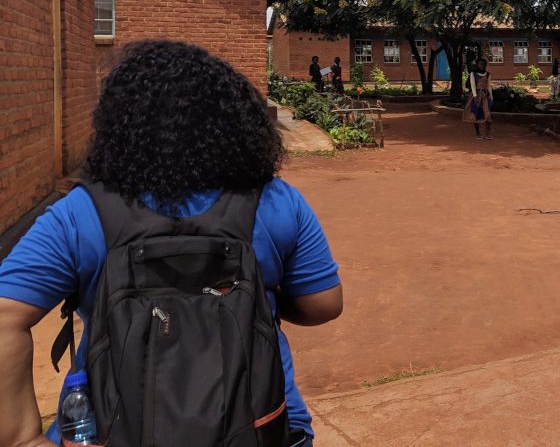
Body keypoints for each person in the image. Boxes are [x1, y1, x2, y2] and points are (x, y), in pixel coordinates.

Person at [0, 40, 342, 447]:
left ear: (120, 124)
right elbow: (324, 304)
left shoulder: (80, 212)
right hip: (264, 429)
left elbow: (5, 317)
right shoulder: (274, 202)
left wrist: (22, 438)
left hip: (112, 432)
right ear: (236, 122)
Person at [464, 57, 493, 140]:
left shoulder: (488, 74)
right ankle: (478, 133)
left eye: (484, 64)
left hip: (485, 96)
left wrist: (491, 97)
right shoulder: (473, 74)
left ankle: (488, 133)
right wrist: (475, 96)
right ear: (477, 65)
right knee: (476, 114)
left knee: (488, 114)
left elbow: (489, 86)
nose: (482, 66)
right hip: (476, 96)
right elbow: (473, 86)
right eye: (480, 64)